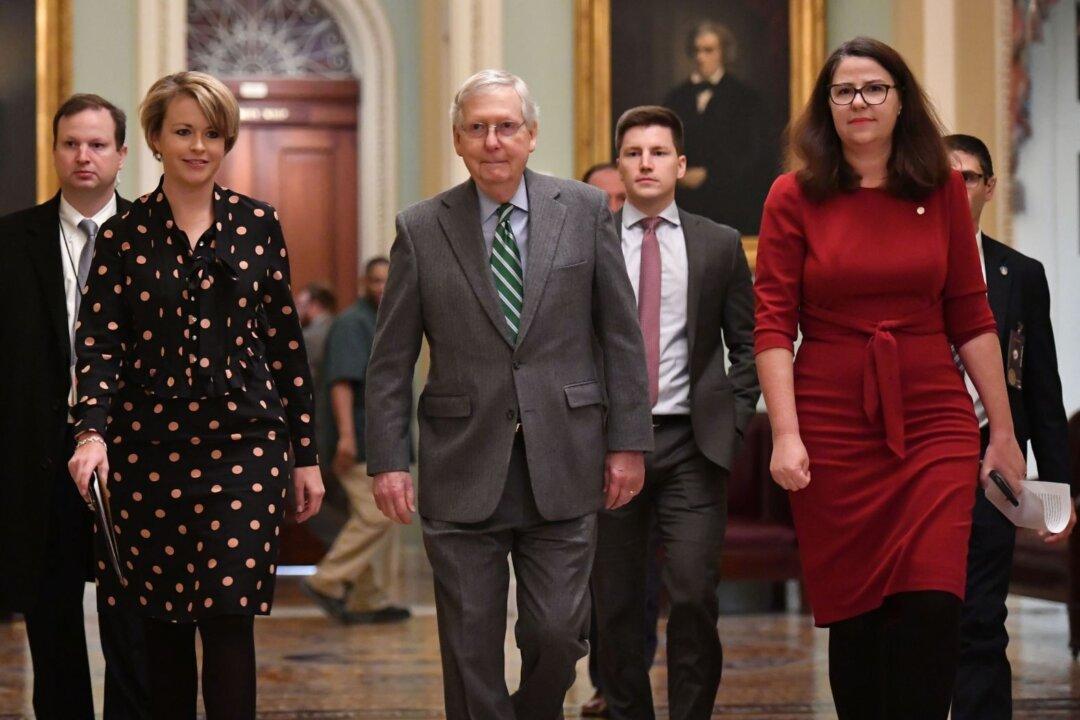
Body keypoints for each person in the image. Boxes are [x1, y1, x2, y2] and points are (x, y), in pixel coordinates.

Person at [364, 69, 653, 719]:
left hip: (566, 457)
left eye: (506, 126)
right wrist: (388, 460)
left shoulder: (584, 210)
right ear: (458, 140)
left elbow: (620, 336)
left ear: (531, 135)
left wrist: (628, 443)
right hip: (461, 462)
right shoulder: (421, 228)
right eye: (477, 128)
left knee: (557, 635)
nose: (492, 141)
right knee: (470, 648)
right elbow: (389, 361)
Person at [753, 38, 1027, 718]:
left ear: (901, 100)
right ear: (827, 106)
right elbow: (773, 324)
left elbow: (971, 314)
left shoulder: (941, 190)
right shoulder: (793, 196)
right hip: (833, 423)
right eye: (844, 90)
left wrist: (1002, 433)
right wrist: (785, 435)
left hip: (934, 418)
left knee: (933, 601)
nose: (860, 102)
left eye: (875, 87)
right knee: (857, 613)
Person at [67, 71, 325, 720]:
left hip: (245, 447)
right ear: (155, 138)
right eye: (183, 131)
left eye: (212, 133)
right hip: (147, 451)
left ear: (227, 140)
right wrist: (90, 433)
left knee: (229, 616)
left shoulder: (258, 224)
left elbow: (286, 349)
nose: (199, 146)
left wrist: (306, 455)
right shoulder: (122, 236)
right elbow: (99, 347)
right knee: (163, 624)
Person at [592, 105, 758, 720]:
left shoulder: (718, 244)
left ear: (680, 165)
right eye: (633, 153)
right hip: (610, 445)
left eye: (658, 153)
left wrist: (732, 423)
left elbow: (748, 344)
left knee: (692, 595)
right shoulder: (590, 242)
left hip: (693, 443)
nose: (646, 163)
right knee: (615, 604)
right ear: (620, 165)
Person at [0, 94, 149, 720]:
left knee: (134, 625)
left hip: (132, 453)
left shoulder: (153, 234)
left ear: (121, 154)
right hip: (42, 453)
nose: (83, 155)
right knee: (52, 618)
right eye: (70, 144)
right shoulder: (12, 239)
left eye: (97, 144)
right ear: (55, 151)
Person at [945, 133, 1076, 719]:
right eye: (943, 179)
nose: (955, 189)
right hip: (922, 456)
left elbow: (1043, 386)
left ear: (989, 187)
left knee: (981, 615)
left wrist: (1058, 491)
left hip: (994, 460)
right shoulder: (908, 267)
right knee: (920, 617)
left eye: (967, 178)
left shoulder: (1019, 273)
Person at [303, 256, 411, 625]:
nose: (382, 287)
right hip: (359, 441)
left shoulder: (387, 319)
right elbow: (341, 384)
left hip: (382, 439)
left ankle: (369, 598)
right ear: (365, 283)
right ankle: (326, 581)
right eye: (376, 280)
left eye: (388, 280)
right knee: (376, 517)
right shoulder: (352, 323)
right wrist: (347, 438)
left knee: (374, 518)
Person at [662, 21, 767, 234]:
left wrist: (709, 175)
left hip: (729, 203)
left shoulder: (746, 99)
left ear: (724, 54)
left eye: (708, 50)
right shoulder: (675, 98)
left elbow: (753, 154)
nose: (700, 57)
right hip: (682, 205)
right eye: (697, 50)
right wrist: (678, 174)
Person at [296, 281, 337, 390]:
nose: (296, 310)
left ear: (315, 305)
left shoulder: (308, 336)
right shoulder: (338, 325)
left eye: (300, 304)